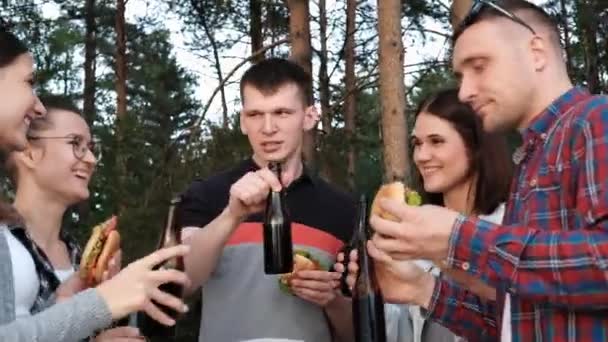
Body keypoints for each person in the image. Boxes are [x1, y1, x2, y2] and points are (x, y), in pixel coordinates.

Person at [355, 0, 608, 341]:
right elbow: (516, 320)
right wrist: (422, 288)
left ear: (536, 52)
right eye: (461, 75)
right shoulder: (531, 159)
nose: (465, 91)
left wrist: (459, 237)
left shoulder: (596, 120)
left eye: (479, 66)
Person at [0, 26, 190, 341]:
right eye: (75, 144)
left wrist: (97, 308)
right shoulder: (9, 241)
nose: (90, 159)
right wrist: (102, 301)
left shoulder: (82, 257)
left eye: (91, 148)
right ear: (29, 153)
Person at [177, 57, 356, 342]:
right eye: (255, 114)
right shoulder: (207, 194)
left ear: (309, 117)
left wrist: (332, 300)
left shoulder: (342, 209)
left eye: (282, 113)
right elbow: (181, 283)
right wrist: (231, 216)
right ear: (242, 122)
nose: (268, 128)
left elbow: (358, 334)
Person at [336, 88, 513, 342]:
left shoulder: (510, 229)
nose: (422, 156)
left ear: (476, 146)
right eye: (417, 143)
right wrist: (371, 292)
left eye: (436, 141)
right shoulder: (411, 232)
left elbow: (521, 321)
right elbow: (399, 331)